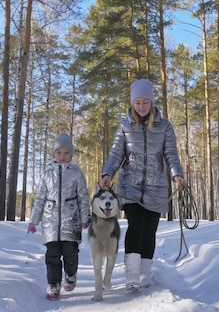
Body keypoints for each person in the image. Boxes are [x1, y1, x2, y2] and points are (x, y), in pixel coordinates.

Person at [100, 78, 185, 292]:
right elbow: (116, 153)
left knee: (149, 231)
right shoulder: (125, 125)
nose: (141, 106)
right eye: (138, 102)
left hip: (156, 187)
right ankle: (131, 276)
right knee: (136, 226)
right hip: (130, 185)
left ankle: (145, 274)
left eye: (145, 101)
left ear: (152, 102)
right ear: (132, 103)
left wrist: (177, 175)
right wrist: (108, 173)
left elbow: (171, 154)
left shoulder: (164, 126)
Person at [28, 133, 90, 300]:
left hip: (71, 219)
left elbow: (83, 196)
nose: (62, 156)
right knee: (52, 255)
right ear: (54, 154)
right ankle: (53, 284)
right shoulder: (47, 173)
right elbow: (40, 197)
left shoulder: (76, 173)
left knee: (70, 253)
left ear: (71, 154)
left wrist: (85, 217)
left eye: (66, 153)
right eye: (59, 152)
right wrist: (34, 221)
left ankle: (71, 275)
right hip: (50, 220)